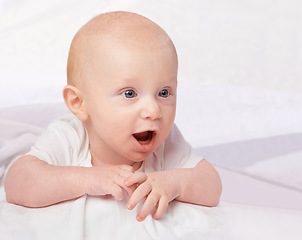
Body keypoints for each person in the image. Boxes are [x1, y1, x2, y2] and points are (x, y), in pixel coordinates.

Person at [4, 11, 222, 222]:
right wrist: (86, 178)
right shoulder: (71, 137)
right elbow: (17, 183)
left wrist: (177, 183)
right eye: (130, 94)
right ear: (79, 103)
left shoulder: (166, 142)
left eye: (163, 92)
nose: (153, 111)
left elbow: (211, 185)